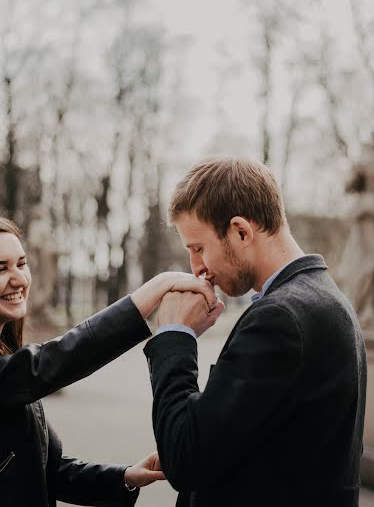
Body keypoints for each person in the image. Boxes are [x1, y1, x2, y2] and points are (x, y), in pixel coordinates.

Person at [144, 156, 367, 507]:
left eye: (199, 248)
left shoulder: (280, 318)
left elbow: (188, 460)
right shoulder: (327, 299)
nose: (196, 267)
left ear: (241, 231)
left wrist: (175, 335)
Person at [0, 217, 219, 507]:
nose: (19, 278)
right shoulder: (18, 371)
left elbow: (48, 472)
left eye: (21, 263)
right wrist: (156, 288)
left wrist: (126, 477)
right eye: (1, 268)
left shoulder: (9, 356)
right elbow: (64, 355)